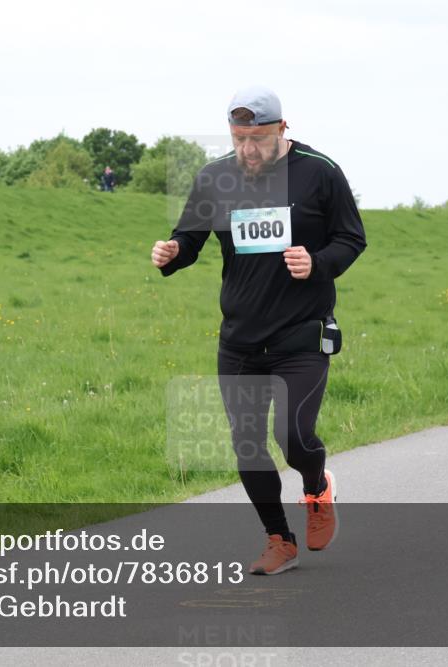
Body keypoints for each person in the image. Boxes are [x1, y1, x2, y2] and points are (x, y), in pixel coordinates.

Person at [150, 85, 367, 575]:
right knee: (246, 444)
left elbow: (352, 238)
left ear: (282, 130)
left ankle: (316, 485)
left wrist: (317, 262)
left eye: (259, 139)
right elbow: (191, 238)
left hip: (302, 333)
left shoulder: (320, 172)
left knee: (292, 436)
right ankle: (279, 540)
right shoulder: (215, 178)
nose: (248, 150)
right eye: (239, 138)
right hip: (241, 339)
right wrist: (172, 254)